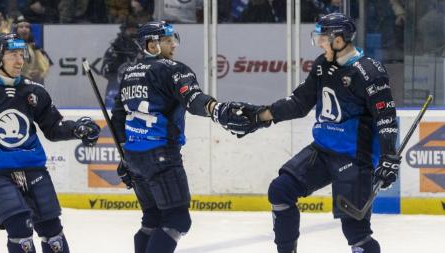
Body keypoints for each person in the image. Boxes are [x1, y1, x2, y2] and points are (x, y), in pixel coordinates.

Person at [236, 13, 400, 253]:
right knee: (280, 190)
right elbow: (299, 103)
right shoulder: (322, 66)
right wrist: (261, 116)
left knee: (356, 233)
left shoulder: (369, 71)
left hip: (354, 157)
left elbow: (385, 117)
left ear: (339, 40)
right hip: (322, 150)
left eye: (323, 38)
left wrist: (388, 158)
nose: (319, 43)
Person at [110, 21, 249, 253]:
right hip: (161, 155)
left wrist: (124, 156)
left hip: (135, 157)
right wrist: (216, 109)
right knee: (177, 220)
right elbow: (193, 101)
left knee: (152, 220)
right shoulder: (174, 69)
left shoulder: (129, 74)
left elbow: (117, 118)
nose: (173, 45)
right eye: (167, 40)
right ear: (151, 44)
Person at [0, 33, 100, 253]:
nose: (19, 60)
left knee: (53, 234)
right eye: (12, 54)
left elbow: (53, 127)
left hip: (34, 170)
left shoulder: (34, 91)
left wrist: (77, 129)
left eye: (21, 54)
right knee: (20, 230)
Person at [101, 18, 142, 108]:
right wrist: (116, 62)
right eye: (130, 30)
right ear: (124, 31)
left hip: (139, 92)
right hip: (116, 91)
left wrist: (141, 59)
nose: (133, 33)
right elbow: (104, 71)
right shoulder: (114, 49)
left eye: (135, 30)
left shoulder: (143, 49)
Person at [13, 15, 52, 84]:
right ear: (16, 30)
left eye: (27, 27)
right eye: (21, 27)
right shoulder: (10, 47)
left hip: (30, 85)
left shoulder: (34, 48)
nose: (24, 29)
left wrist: (39, 73)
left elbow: (45, 65)